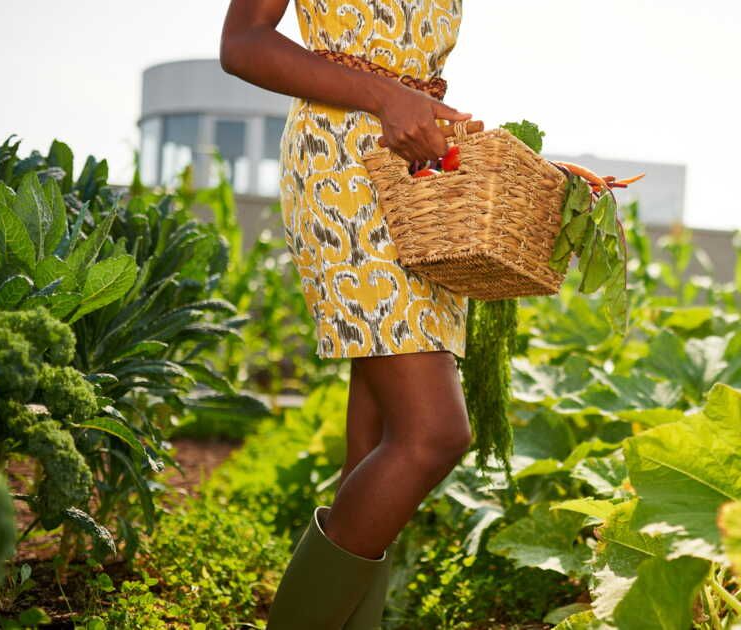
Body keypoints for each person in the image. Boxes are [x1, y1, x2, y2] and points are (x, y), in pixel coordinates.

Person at [220, 1, 471, 628]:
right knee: (433, 432)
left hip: (418, 178)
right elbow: (243, 42)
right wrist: (387, 97)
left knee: (375, 438)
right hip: (346, 168)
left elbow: (410, 62)